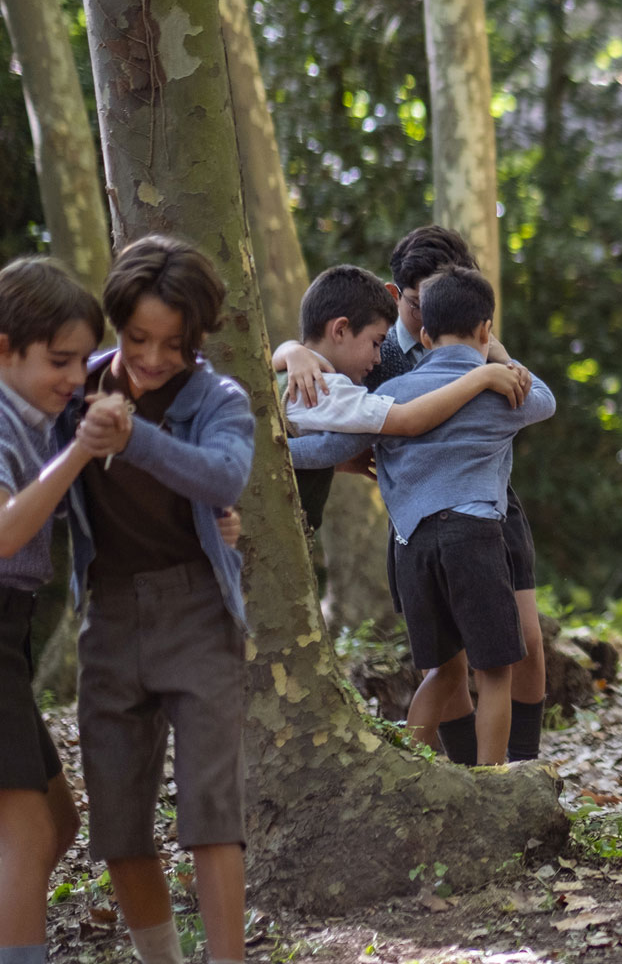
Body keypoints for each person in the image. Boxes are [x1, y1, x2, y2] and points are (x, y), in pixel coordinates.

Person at [279, 227, 548, 764]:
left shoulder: (413, 368)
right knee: (465, 666)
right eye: (417, 305)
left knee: (519, 643)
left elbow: (340, 437)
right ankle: (474, 772)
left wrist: (276, 450)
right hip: (430, 519)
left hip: (472, 512)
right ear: (395, 293)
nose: (425, 320)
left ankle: (511, 765)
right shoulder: (375, 356)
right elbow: (537, 399)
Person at [70, 236, 255, 964]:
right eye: (137, 338)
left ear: (198, 339)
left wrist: (134, 436)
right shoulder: (72, 386)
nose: (150, 358)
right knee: (117, 822)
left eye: (172, 345)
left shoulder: (219, 399)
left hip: (198, 611)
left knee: (213, 813)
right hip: (107, 616)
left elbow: (225, 478)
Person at [0, 258, 123, 964]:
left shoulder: (33, 402)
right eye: (59, 361)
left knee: (58, 821)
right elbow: (9, 530)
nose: (76, 377)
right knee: (27, 833)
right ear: (4, 350)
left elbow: (122, 359)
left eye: (82, 360)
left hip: (11, 636)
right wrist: (81, 450)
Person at [279, 265, 528, 532]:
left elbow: (305, 449)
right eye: (376, 343)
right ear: (340, 330)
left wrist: (338, 464)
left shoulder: (291, 373)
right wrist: (482, 377)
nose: (378, 358)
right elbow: (408, 420)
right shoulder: (323, 388)